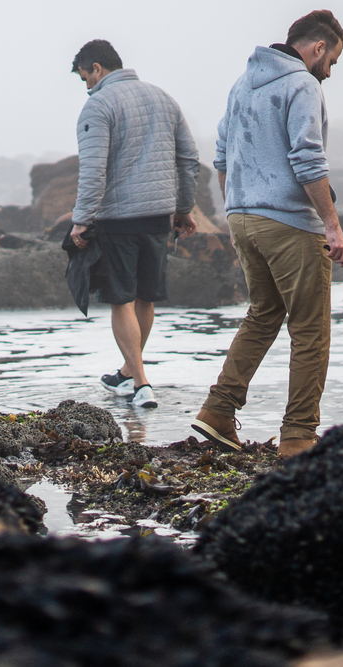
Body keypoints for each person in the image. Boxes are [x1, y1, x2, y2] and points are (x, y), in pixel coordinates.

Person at [191, 10, 343, 458]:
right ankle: (299, 438)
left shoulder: (243, 85)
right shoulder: (302, 85)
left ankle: (218, 410)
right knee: (311, 330)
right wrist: (332, 226)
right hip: (288, 224)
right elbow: (307, 158)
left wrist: (236, 210)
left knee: (263, 313)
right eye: (332, 60)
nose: (330, 71)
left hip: (243, 218)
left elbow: (221, 156)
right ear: (318, 47)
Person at [68, 38, 200, 409]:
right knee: (145, 297)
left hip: (119, 219)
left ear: (97, 68)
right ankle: (128, 372)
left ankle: (141, 384)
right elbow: (189, 158)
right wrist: (183, 208)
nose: (87, 87)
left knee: (121, 299)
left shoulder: (99, 106)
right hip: (159, 215)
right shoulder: (163, 98)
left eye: (85, 78)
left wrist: (81, 221)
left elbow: (93, 171)